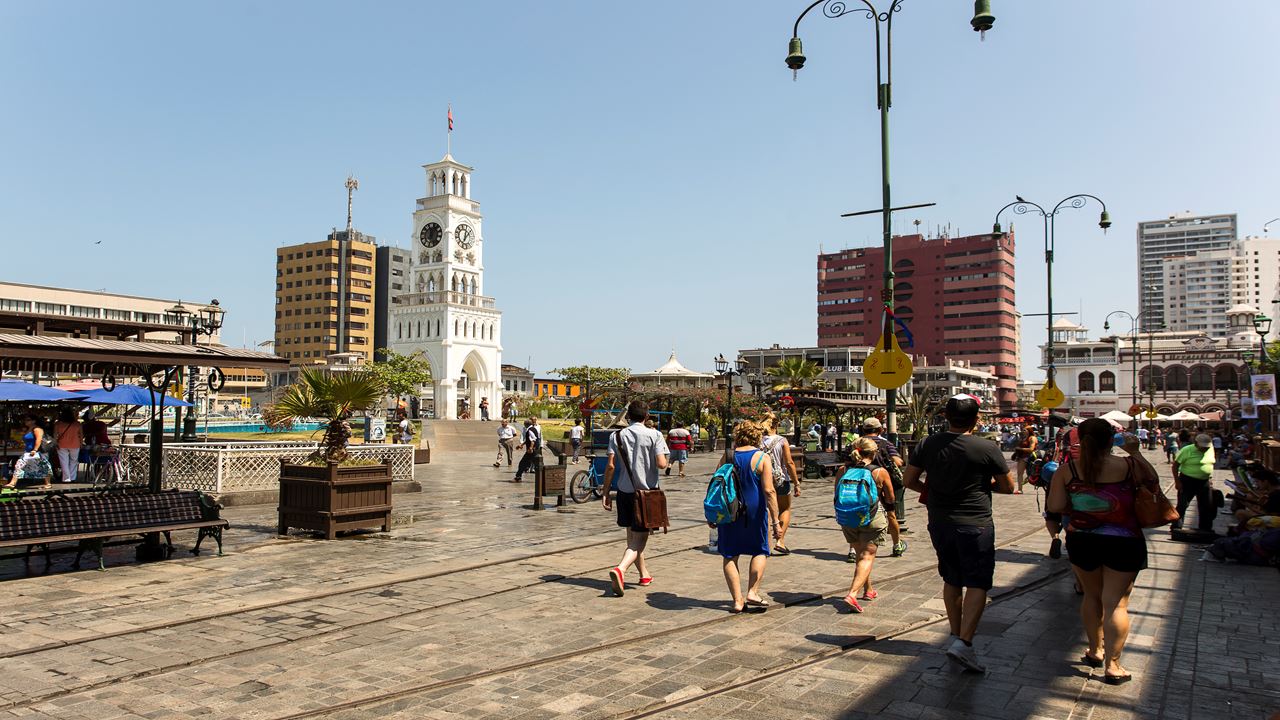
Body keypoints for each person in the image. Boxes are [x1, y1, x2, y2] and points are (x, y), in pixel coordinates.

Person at [902, 394, 1014, 673]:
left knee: (951, 577)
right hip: (975, 522)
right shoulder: (987, 448)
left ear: (946, 417)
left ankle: (955, 634)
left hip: (940, 521)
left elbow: (909, 480)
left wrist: (934, 491)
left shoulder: (927, 444)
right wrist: (982, 486)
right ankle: (964, 643)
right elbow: (1008, 486)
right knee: (977, 582)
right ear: (976, 419)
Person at [1047, 419, 1154, 685]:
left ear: (1080, 440)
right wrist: (1135, 452)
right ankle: (1113, 666)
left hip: (1083, 540)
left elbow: (1056, 504)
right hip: (1125, 540)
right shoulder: (1128, 466)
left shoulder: (1067, 470)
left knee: (1091, 596)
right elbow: (1152, 483)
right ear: (1111, 440)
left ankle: (1095, 650)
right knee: (1116, 603)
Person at [601, 400, 670, 596]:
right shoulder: (655, 435)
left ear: (628, 417)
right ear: (646, 417)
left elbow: (611, 466)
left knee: (632, 536)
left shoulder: (617, 435)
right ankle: (620, 569)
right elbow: (662, 464)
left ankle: (644, 575)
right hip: (647, 495)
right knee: (639, 540)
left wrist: (606, 492)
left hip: (624, 492)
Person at [713, 420, 780, 612]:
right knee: (760, 549)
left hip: (729, 509)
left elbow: (717, 484)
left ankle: (737, 600)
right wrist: (775, 521)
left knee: (729, 554)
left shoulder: (727, 456)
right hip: (754, 509)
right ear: (757, 436)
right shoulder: (761, 457)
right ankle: (752, 592)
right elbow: (769, 491)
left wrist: (713, 513)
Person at [839, 437, 897, 613]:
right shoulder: (879, 472)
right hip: (871, 518)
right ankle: (852, 594)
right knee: (867, 557)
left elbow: (836, 494)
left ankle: (868, 590)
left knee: (860, 555)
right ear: (873, 453)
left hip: (848, 518)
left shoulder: (843, 469)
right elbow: (891, 498)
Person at [861, 417, 908, 555]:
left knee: (859, 514)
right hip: (880, 482)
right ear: (880, 429)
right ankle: (897, 545)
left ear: (863, 430)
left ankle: (853, 550)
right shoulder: (885, 443)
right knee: (891, 513)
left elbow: (846, 464)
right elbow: (898, 462)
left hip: (860, 485)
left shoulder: (855, 443)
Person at [760, 414, 801, 554]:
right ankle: (780, 541)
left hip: (761, 480)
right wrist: (796, 483)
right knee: (785, 509)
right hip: (780, 479)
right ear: (776, 425)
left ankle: (764, 541)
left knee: (765, 510)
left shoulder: (757, 441)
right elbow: (789, 463)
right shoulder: (782, 441)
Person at [1171, 432, 1216, 532]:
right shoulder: (1187, 450)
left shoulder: (1210, 448)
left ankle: (1205, 528)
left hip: (1204, 481)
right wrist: (1177, 482)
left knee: (1206, 506)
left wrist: (1210, 478)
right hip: (1187, 480)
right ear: (1196, 444)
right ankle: (1176, 526)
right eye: (1202, 447)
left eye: (1206, 447)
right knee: (1182, 505)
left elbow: (1210, 464)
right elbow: (1175, 466)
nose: (1205, 449)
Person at [3, 415, 51, 490]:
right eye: (25, 420)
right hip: (28, 452)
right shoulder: (29, 429)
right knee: (19, 465)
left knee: (43, 467)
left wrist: (35, 450)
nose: (26, 421)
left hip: (38, 452)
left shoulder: (37, 429)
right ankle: (13, 483)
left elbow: (39, 440)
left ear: (34, 421)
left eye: (28, 420)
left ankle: (48, 483)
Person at [52, 407, 83, 484]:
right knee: (74, 461)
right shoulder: (77, 424)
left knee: (63, 462)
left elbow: (55, 435)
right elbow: (81, 435)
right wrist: (81, 443)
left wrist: (55, 443)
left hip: (61, 444)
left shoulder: (58, 424)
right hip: (75, 444)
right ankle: (72, 477)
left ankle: (66, 478)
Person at [511, 418, 542, 483]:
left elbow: (533, 440)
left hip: (531, 451)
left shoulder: (530, 430)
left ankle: (518, 477)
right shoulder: (533, 429)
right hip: (534, 450)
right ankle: (543, 477)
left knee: (522, 463)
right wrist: (521, 445)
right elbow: (529, 439)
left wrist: (530, 448)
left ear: (525, 424)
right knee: (537, 464)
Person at [1013, 428, 1039, 493]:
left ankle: (1029, 480)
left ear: (1029, 430)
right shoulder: (1023, 438)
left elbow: (1031, 449)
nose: (1023, 431)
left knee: (1032, 473)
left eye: (1025, 430)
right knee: (1019, 473)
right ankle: (1020, 489)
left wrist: (1020, 449)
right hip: (1022, 457)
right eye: (1023, 430)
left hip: (1030, 457)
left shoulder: (1032, 438)